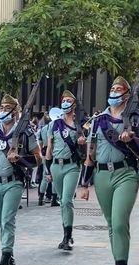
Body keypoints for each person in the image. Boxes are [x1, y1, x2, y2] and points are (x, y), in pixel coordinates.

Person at [79, 76, 139, 265]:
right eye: (112, 89)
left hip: (125, 173)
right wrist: (84, 183)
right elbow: (90, 154)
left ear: (127, 95)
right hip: (102, 175)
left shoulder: (138, 118)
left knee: (120, 222)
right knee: (111, 224)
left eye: (119, 90)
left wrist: (132, 141)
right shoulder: (99, 120)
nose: (114, 92)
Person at [0, 94, 42, 265]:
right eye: (2, 107)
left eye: (8, 108)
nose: (3, 111)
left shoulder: (25, 132)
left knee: (7, 220)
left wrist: (20, 158)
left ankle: (4, 261)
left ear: (16, 112)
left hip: (14, 182)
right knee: (0, 221)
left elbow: (38, 158)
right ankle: (11, 256)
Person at [46, 89, 86, 251]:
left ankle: (67, 237)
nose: (65, 103)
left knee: (67, 200)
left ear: (74, 105)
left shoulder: (80, 125)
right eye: (64, 100)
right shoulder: (54, 124)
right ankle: (66, 233)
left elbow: (88, 150)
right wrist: (47, 170)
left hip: (72, 166)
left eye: (69, 101)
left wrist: (82, 142)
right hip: (56, 165)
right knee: (62, 201)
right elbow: (49, 149)